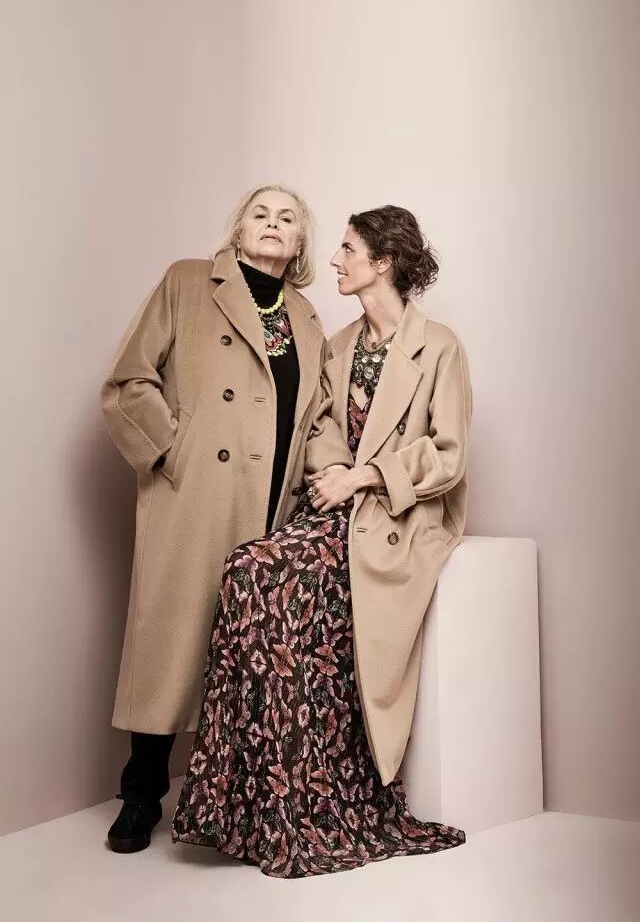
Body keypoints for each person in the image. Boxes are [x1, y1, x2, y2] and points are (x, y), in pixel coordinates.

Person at [172, 205, 473, 877]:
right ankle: (256, 808)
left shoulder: (439, 346)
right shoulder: (338, 346)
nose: (334, 259)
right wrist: (335, 472)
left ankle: (320, 801)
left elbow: (449, 454)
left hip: (400, 516)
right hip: (338, 509)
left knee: (272, 580)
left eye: (347, 249)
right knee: (248, 570)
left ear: (383, 263)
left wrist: (364, 476)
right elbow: (321, 430)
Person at [100, 184, 350, 854]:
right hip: (197, 495)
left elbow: (319, 417)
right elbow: (129, 379)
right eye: (260, 214)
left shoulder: (305, 316)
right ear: (238, 229)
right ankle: (140, 796)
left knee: (245, 659)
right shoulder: (188, 282)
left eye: (287, 218)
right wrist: (171, 450)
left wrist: (335, 474)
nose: (273, 224)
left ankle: (236, 809)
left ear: (300, 242)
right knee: (170, 645)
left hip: (270, 505)